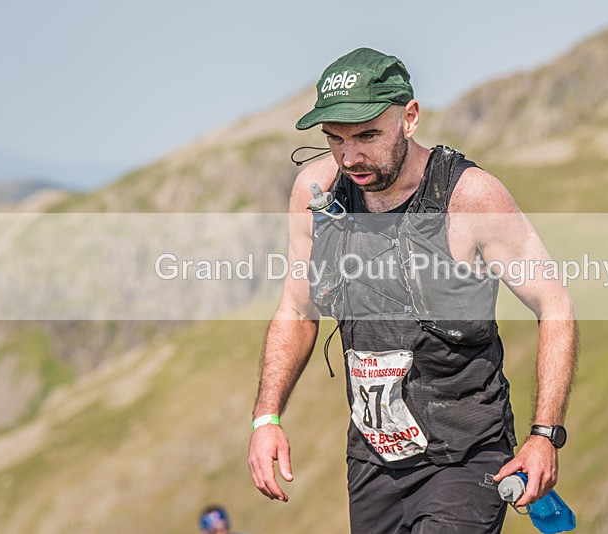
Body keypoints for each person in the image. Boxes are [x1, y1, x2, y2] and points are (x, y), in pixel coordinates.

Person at [248, 47, 579, 533]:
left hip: (466, 457)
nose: (349, 156)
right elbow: (297, 310)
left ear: (410, 118)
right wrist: (266, 418)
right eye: (334, 140)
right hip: (373, 459)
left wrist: (544, 434)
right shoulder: (316, 194)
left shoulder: (469, 198)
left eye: (366, 136)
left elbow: (555, 304)